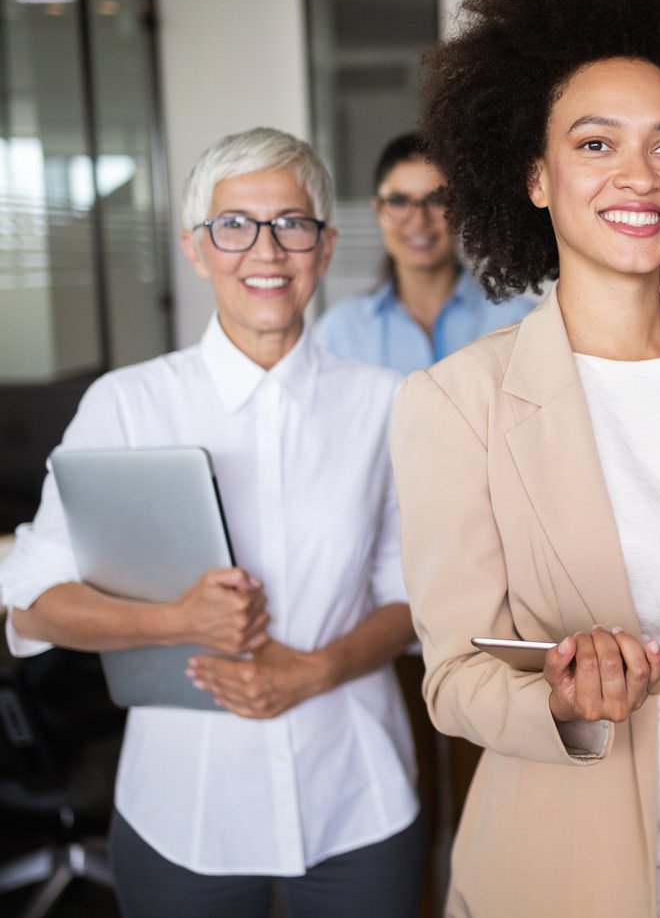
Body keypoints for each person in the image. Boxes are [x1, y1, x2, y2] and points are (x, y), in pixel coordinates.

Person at [387, 0, 660, 916]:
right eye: (594, 143)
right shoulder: (458, 403)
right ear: (533, 175)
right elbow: (452, 679)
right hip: (573, 865)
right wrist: (563, 703)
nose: (638, 176)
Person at [0, 128, 422, 917]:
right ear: (197, 250)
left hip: (354, 795)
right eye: (234, 225)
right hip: (183, 808)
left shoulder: (387, 403)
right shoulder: (127, 405)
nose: (266, 249)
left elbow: (411, 595)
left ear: (325, 248)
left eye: (292, 223)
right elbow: (32, 600)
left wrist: (316, 669)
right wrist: (172, 620)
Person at [314, 133, 535, 374]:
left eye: (436, 200)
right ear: (378, 211)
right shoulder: (339, 334)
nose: (418, 220)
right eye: (399, 202)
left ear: (460, 209)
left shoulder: (519, 322)